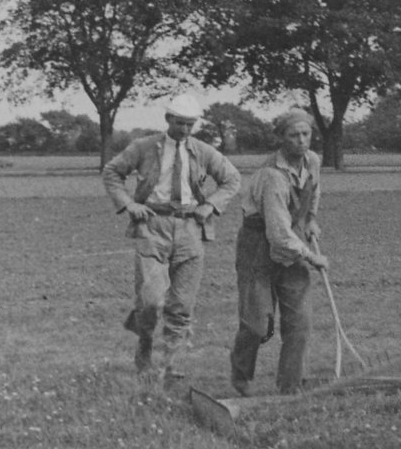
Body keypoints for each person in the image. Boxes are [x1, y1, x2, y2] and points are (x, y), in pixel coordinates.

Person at [101, 93, 242, 389]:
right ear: (168, 120)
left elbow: (232, 179)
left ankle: (171, 366)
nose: (186, 130)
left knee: (181, 304)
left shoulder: (203, 151)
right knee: (151, 299)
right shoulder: (143, 147)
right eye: (180, 123)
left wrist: (212, 205)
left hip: (191, 228)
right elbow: (112, 172)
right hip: (152, 227)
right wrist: (128, 204)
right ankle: (144, 346)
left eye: (191, 125)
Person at [229, 109, 329, 396]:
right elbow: (278, 234)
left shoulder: (312, 161)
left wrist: (310, 218)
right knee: (258, 325)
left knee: (299, 322)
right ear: (282, 138)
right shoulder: (271, 175)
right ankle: (240, 373)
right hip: (258, 245)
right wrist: (312, 257)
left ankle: (290, 387)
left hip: (292, 236)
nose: (301, 141)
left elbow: (314, 190)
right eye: (293, 135)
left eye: (305, 134)